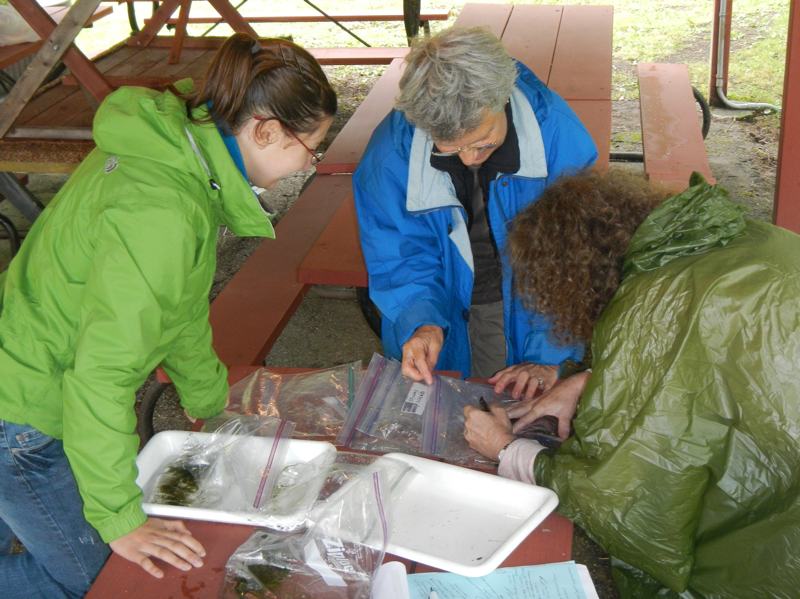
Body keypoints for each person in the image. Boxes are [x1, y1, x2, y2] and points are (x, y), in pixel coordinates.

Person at [0, 33, 336, 597]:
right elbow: (101, 375)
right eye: (313, 147)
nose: (311, 161)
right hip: (27, 413)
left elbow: (176, 309)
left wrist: (212, 403)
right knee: (96, 581)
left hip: (24, 365)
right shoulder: (165, 208)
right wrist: (121, 520)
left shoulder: (180, 155)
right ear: (267, 131)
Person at [464, 170, 800, 598]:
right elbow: (717, 365)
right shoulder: (740, 234)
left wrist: (508, 450)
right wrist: (588, 378)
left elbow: (629, 502)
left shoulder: (655, 305)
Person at [353, 26, 597, 383]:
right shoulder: (389, 159)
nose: (469, 160)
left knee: (515, 411)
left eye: (482, 143)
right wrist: (421, 322)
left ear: (504, 99)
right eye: (449, 149)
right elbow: (399, 257)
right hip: (444, 297)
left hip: (532, 303)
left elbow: (574, 257)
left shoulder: (558, 138)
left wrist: (549, 355)